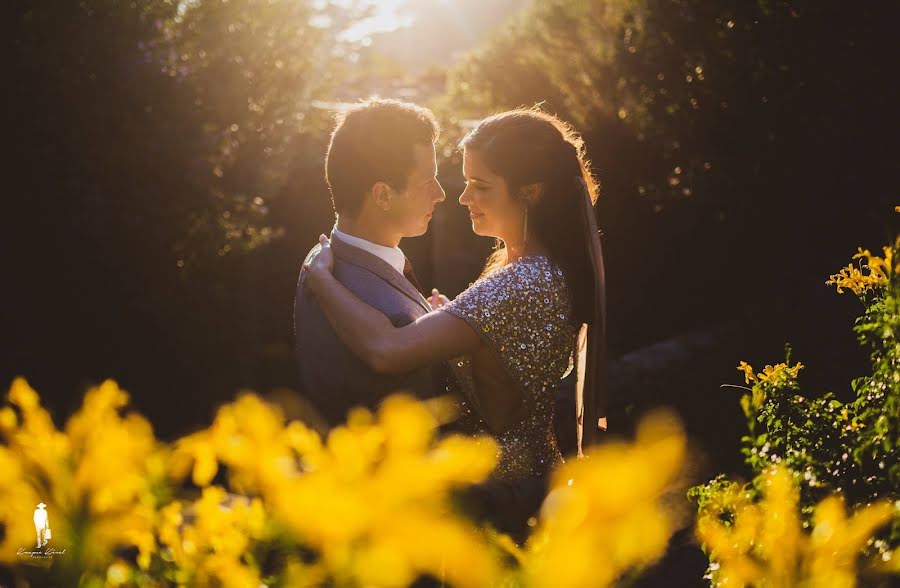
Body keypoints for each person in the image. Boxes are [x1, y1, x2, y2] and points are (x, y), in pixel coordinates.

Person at [304, 106, 609, 540]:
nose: (462, 197)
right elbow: (502, 358)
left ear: (530, 193)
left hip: (502, 504)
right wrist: (450, 321)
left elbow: (385, 351)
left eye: (480, 186)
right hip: (524, 485)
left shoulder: (521, 281)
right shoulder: (533, 268)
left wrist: (321, 279)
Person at [293, 98, 452, 429]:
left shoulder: (318, 256)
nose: (440, 194)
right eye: (427, 182)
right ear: (382, 196)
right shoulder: (387, 313)